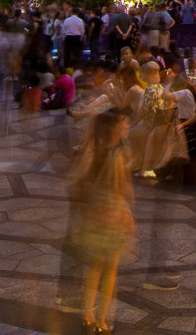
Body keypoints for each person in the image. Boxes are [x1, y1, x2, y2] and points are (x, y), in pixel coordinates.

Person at [69, 112, 133, 335]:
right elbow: (120, 189)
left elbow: (79, 184)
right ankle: (102, 321)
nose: (125, 130)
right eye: (122, 127)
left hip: (94, 215)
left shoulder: (92, 152)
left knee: (94, 267)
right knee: (110, 269)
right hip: (112, 215)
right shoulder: (117, 156)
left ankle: (87, 316)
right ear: (114, 131)